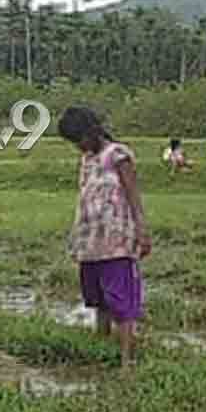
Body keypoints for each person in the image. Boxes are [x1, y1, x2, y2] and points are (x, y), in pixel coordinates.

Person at [58, 107, 152, 368]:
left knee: (121, 301)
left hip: (116, 241)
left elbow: (134, 196)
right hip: (91, 241)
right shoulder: (87, 159)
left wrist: (141, 230)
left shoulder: (118, 156)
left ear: (92, 131)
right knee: (97, 298)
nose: (79, 146)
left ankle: (127, 359)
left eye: (80, 139)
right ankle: (101, 347)